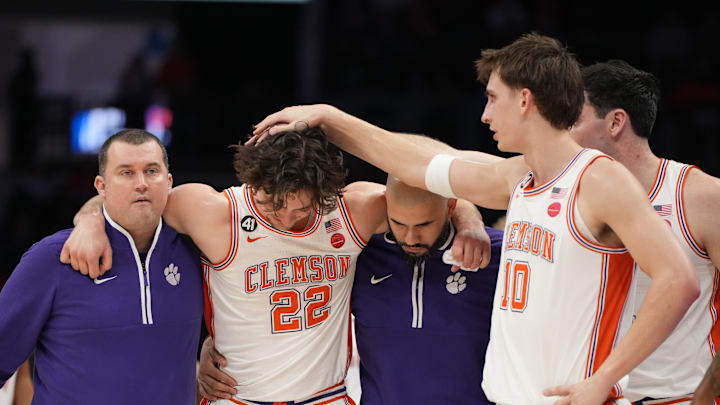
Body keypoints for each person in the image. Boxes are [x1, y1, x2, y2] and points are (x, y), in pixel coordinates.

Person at [252, 33, 700, 404]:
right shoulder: (518, 178)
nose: (484, 114)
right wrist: (330, 118)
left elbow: (679, 281)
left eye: (492, 98)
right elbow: (417, 164)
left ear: (525, 99)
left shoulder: (599, 180)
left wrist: (604, 379)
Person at [62, 126, 488, 405]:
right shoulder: (214, 212)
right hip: (237, 398)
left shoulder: (352, 211)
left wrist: (470, 224)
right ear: (251, 183)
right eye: (270, 203)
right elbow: (131, 200)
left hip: (326, 396)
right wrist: (88, 220)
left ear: (323, 193)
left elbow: (439, 187)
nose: (284, 219)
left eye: (300, 209)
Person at [198, 176, 502, 404]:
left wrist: (472, 224)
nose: (410, 236)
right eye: (398, 222)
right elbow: (275, 289)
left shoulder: (495, 253)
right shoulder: (359, 248)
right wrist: (218, 341)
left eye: (423, 224)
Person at [0, 129, 204, 404]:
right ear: (101, 186)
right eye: (126, 173)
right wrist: (89, 217)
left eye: (151, 171)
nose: (141, 183)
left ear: (169, 182)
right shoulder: (52, 259)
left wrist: (213, 348)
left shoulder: (197, 250)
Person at [570, 60, 720, 404]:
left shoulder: (700, 196)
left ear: (615, 121)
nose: (563, 135)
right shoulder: (571, 195)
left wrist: (708, 393)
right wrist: (469, 219)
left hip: (678, 396)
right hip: (590, 395)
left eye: (573, 121)